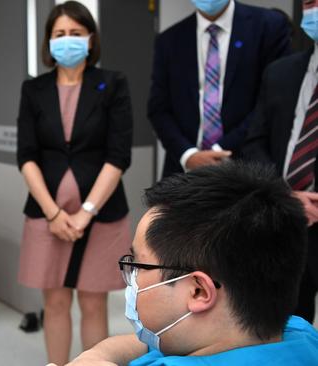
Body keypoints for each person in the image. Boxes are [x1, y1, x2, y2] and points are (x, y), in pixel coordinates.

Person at [64, 162, 318, 366]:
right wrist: (98, 356)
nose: (131, 277)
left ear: (198, 290)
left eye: (139, 265)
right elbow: (145, 343)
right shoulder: (298, 333)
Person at [16, 2, 133, 364]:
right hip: (45, 213)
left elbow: (118, 156)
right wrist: (53, 213)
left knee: (94, 302)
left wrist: (86, 212)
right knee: (54, 301)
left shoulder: (112, 84)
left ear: (91, 39)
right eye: (60, 34)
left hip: (102, 213)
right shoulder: (34, 89)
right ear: (48, 41)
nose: (68, 41)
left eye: (76, 34)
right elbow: (27, 156)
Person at [148, 0, 290, 178]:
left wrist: (221, 149)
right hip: (185, 170)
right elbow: (158, 109)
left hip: (249, 169)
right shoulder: (169, 40)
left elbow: (271, 101)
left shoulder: (268, 26)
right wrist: (188, 154)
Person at [243, 0, 318, 323]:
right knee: (284, 331)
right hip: (283, 225)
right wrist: (284, 195)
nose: (314, 10)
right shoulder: (281, 72)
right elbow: (254, 142)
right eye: (310, 4)